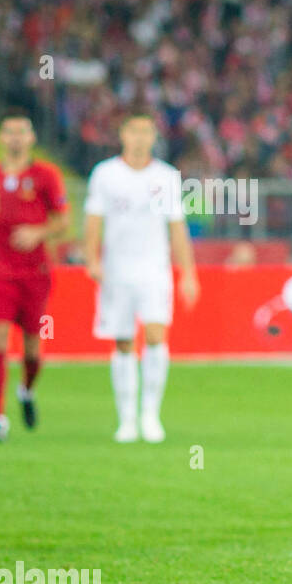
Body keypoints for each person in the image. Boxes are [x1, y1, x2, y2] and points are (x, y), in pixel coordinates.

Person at [84, 113, 200, 443]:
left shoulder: (166, 177)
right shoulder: (105, 174)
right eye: (134, 130)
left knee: (154, 335)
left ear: (153, 136)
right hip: (117, 270)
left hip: (154, 270)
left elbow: (176, 228)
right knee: (122, 341)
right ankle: (127, 419)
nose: (139, 137)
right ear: (122, 134)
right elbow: (93, 220)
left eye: (146, 131)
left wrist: (188, 273)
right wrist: (92, 259)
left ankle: (151, 415)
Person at [0, 109, 69, 441]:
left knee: (31, 350)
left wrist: (37, 232)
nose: (14, 137)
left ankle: (26, 389)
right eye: (9, 132)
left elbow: (63, 221)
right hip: (1, 274)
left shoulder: (46, 175)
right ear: (1, 137)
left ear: (31, 138)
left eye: (20, 132)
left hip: (36, 274)